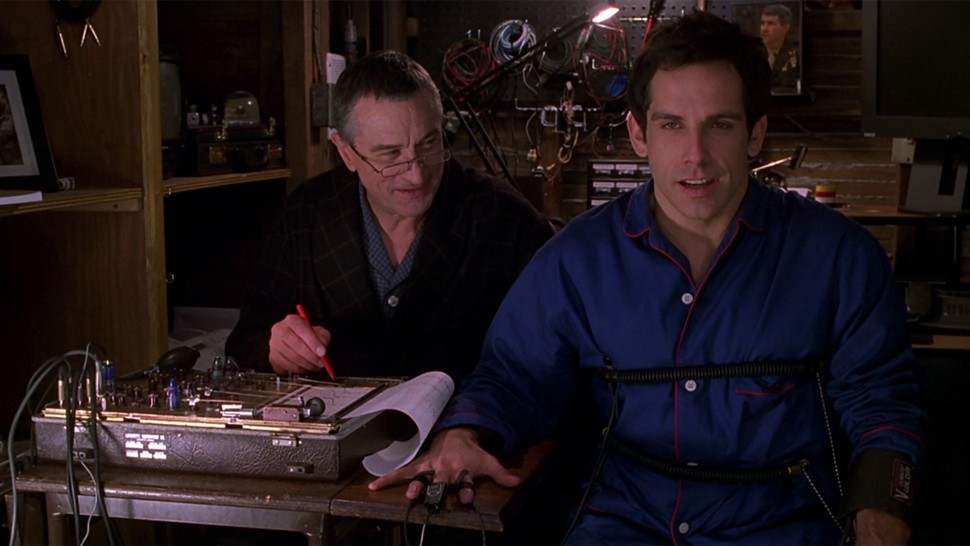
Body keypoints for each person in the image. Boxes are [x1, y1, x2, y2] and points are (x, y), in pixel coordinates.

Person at [371, 10, 925, 545]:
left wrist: (881, 511)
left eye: (720, 125)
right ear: (639, 133)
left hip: (779, 526)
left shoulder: (840, 256)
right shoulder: (577, 259)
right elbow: (514, 375)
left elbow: (883, 402)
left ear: (755, 133)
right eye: (671, 125)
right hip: (622, 524)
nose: (695, 156)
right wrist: (463, 434)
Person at [226, 50, 554, 386]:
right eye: (390, 154)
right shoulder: (307, 215)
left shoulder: (505, 219)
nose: (416, 175)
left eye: (429, 144)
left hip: (467, 417)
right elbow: (245, 341)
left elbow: (562, 348)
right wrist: (275, 349)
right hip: (335, 416)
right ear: (346, 151)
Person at [760, 4, 800, 93]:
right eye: (762, 23)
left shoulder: (798, 52)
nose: (764, 29)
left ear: (785, 28)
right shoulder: (753, 52)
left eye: (770, 24)